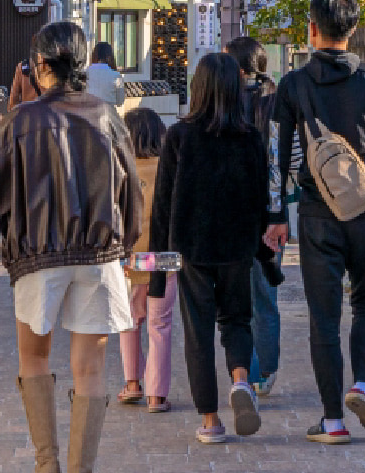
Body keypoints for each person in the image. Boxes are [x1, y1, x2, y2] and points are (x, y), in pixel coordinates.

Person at [0, 21, 142, 473]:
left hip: (37, 255)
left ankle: (46, 464)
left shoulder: (23, 120)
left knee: (33, 357)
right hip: (99, 255)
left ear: (38, 65)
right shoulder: (107, 116)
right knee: (90, 371)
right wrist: (126, 244)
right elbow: (131, 193)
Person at [262, 0, 365, 445]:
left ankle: (332, 421)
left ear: (312, 29)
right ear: (353, 31)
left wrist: (276, 215)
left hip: (316, 216)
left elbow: (275, 156)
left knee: (324, 318)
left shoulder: (292, 85)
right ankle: (363, 385)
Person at [151, 53, 271, 444]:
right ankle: (240, 380)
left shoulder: (179, 137)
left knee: (198, 331)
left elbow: (163, 207)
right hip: (238, 246)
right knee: (237, 319)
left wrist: (158, 274)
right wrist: (261, 249)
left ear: (198, 88)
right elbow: (260, 200)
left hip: (192, 249)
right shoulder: (252, 137)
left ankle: (210, 422)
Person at [225, 35, 286, 396]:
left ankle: (248, 371)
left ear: (241, 68)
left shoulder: (226, 103)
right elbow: (290, 161)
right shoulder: (279, 102)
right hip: (272, 213)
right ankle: (266, 372)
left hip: (235, 214)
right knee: (265, 294)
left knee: (237, 297)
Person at [116, 107, 176, 413]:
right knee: (160, 324)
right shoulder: (170, 169)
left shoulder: (121, 172)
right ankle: (157, 395)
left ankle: (132, 383)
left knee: (129, 322)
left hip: (129, 259)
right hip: (164, 259)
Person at [87, 41, 125, 106]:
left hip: (88, 114)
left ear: (94, 55)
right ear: (110, 57)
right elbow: (120, 102)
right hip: (109, 113)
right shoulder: (116, 76)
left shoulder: (85, 74)